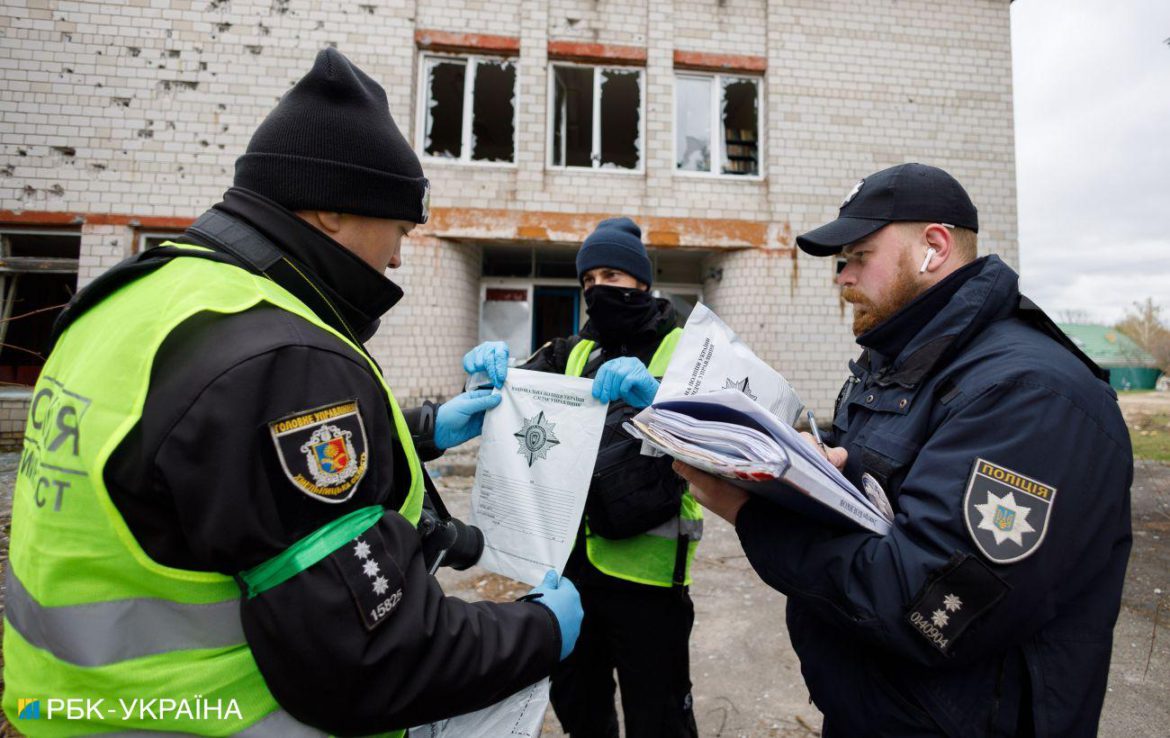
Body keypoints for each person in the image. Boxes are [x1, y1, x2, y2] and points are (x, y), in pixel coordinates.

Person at [3, 48, 581, 736]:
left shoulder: (133, 297)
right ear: (332, 210)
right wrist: (541, 631)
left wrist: (420, 429)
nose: (398, 257)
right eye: (398, 227)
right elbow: (368, 657)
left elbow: (208, 457)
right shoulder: (284, 360)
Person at [674, 163, 1132, 738]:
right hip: (875, 712)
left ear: (933, 248)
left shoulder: (1029, 395)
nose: (842, 278)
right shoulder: (899, 367)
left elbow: (928, 607)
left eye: (859, 256)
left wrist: (751, 514)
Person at [464, 217, 702, 737]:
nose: (598, 290)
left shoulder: (686, 347)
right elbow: (508, 399)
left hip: (648, 578)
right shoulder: (570, 352)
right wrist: (485, 376)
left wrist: (658, 397)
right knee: (580, 706)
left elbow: (720, 427)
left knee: (658, 716)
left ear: (642, 281)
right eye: (589, 280)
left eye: (612, 275)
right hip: (567, 570)